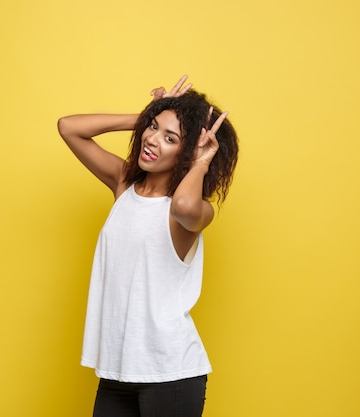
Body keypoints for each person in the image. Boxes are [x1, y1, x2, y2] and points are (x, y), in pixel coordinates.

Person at [57, 75, 239, 417]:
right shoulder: (124, 183)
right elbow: (69, 127)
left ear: (188, 151)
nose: (152, 139)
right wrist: (145, 114)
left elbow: (184, 207)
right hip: (118, 370)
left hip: (170, 373)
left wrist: (200, 162)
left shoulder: (194, 210)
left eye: (170, 138)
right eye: (152, 127)